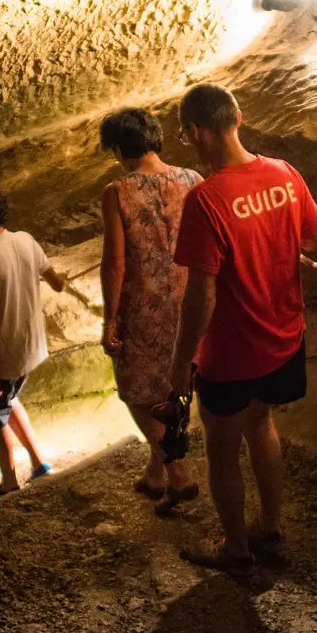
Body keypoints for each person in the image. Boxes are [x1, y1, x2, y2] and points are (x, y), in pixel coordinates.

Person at [165, 84, 317, 571]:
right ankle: (271, 528)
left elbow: (202, 296)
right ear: (238, 118)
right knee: (262, 425)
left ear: (196, 132)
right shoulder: (285, 175)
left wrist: (181, 365)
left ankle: (236, 548)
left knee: (221, 447)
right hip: (283, 342)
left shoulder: (206, 199)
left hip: (231, 353)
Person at [97, 107, 203, 507]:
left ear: (120, 149)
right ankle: (155, 472)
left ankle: (177, 472)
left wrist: (109, 320)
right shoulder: (193, 180)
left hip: (143, 307)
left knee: (138, 391)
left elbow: (115, 263)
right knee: (175, 385)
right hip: (190, 300)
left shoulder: (118, 192)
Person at [0, 181, 66, 501]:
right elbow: (56, 282)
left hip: (7, 357)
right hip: (33, 348)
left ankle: (10, 482)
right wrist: (60, 280)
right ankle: (39, 464)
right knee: (9, 403)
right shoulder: (25, 239)